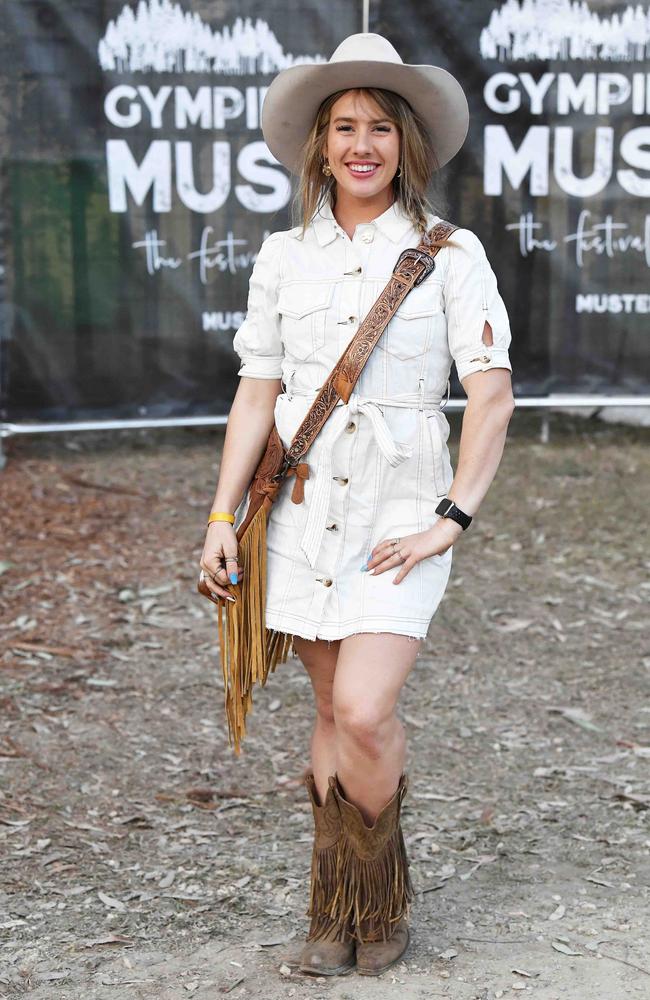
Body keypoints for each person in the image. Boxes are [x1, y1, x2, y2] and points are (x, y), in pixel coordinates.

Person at [199, 33, 515, 978]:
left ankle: (380, 895)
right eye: (345, 127)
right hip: (298, 511)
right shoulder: (283, 256)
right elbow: (257, 391)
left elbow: (491, 392)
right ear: (321, 144)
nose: (362, 143)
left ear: (406, 143)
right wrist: (222, 518)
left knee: (369, 709)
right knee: (333, 709)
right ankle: (336, 907)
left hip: (398, 512)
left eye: (381, 126)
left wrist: (449, 518)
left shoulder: (448, 256)